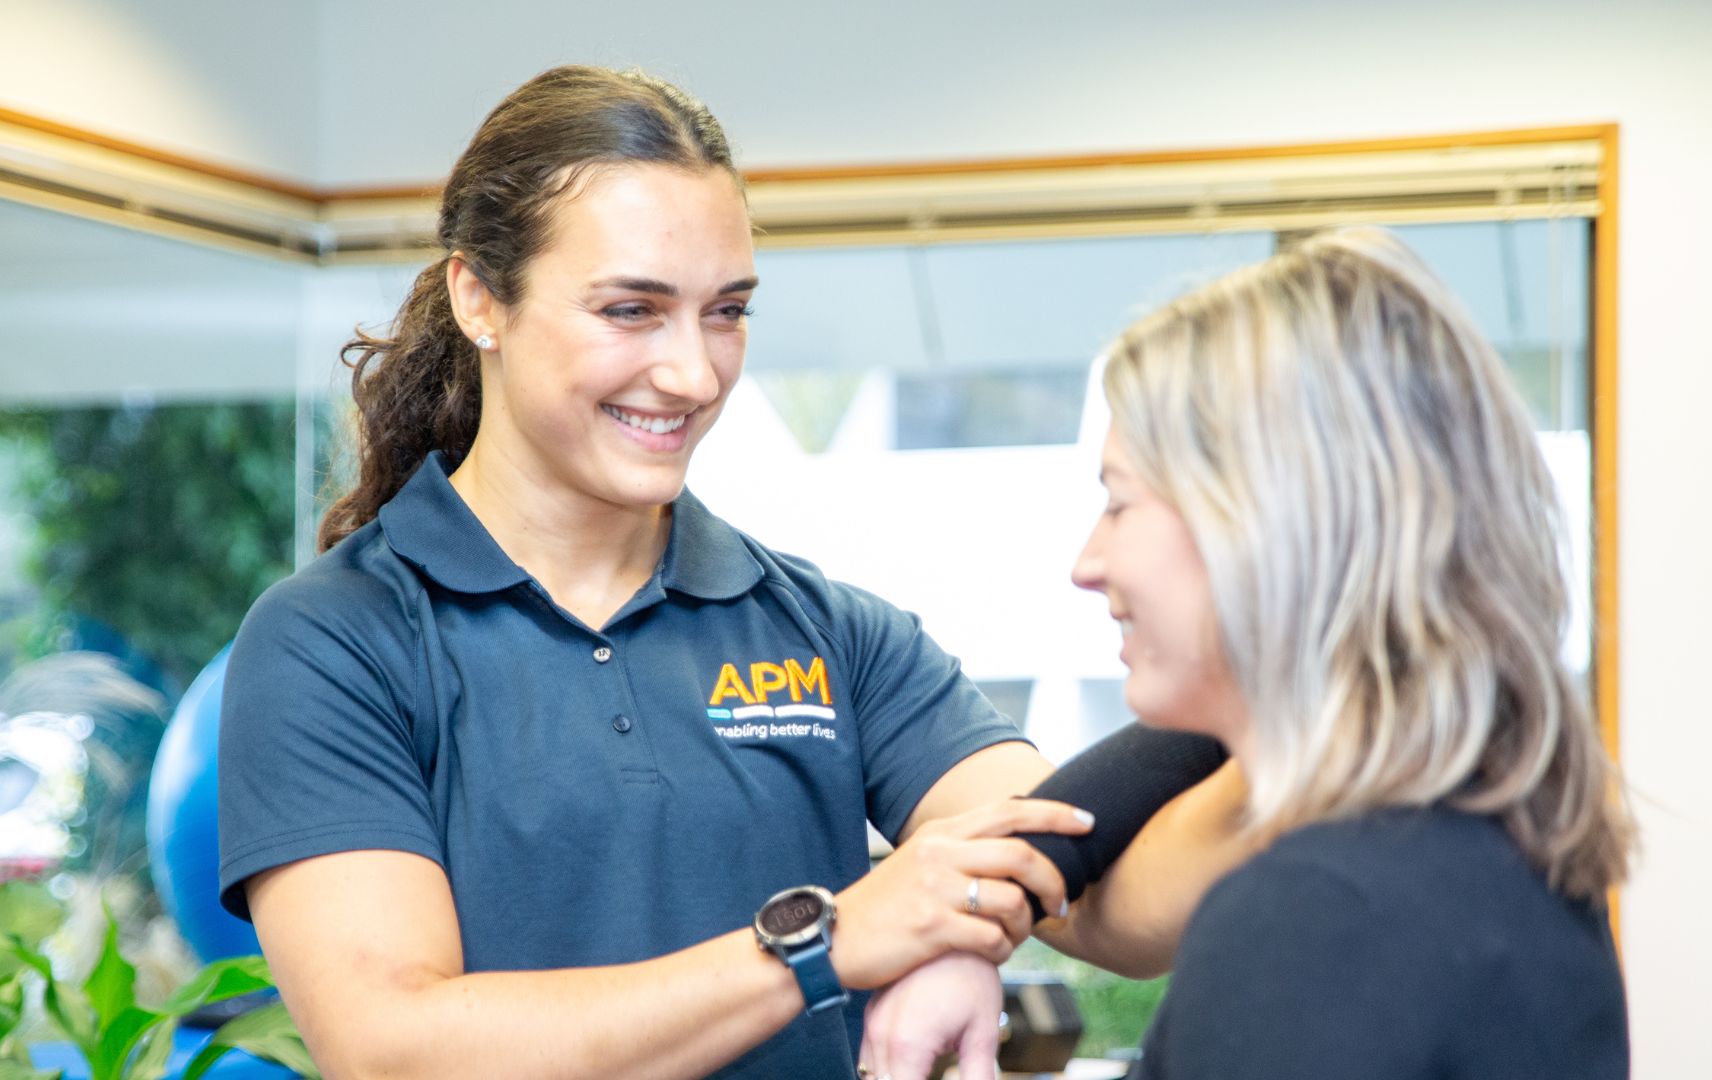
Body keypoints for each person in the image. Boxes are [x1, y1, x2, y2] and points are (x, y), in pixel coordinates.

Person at [216, 66, 1250, 1079]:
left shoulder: (829, 633)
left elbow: (1103, 898)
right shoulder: (335, 641)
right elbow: (397, 1049)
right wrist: (818, 945)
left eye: (727, 310)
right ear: (481, 299)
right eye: (631, 310)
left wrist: (1321, 729)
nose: (694, 373)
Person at [859, 227, 1634, 1079]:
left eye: (1120, 504)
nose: (1089, 564)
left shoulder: (1310, 916)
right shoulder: (1501, 823)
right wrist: (997, 909)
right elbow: (1192, 752)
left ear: (1263, 528)